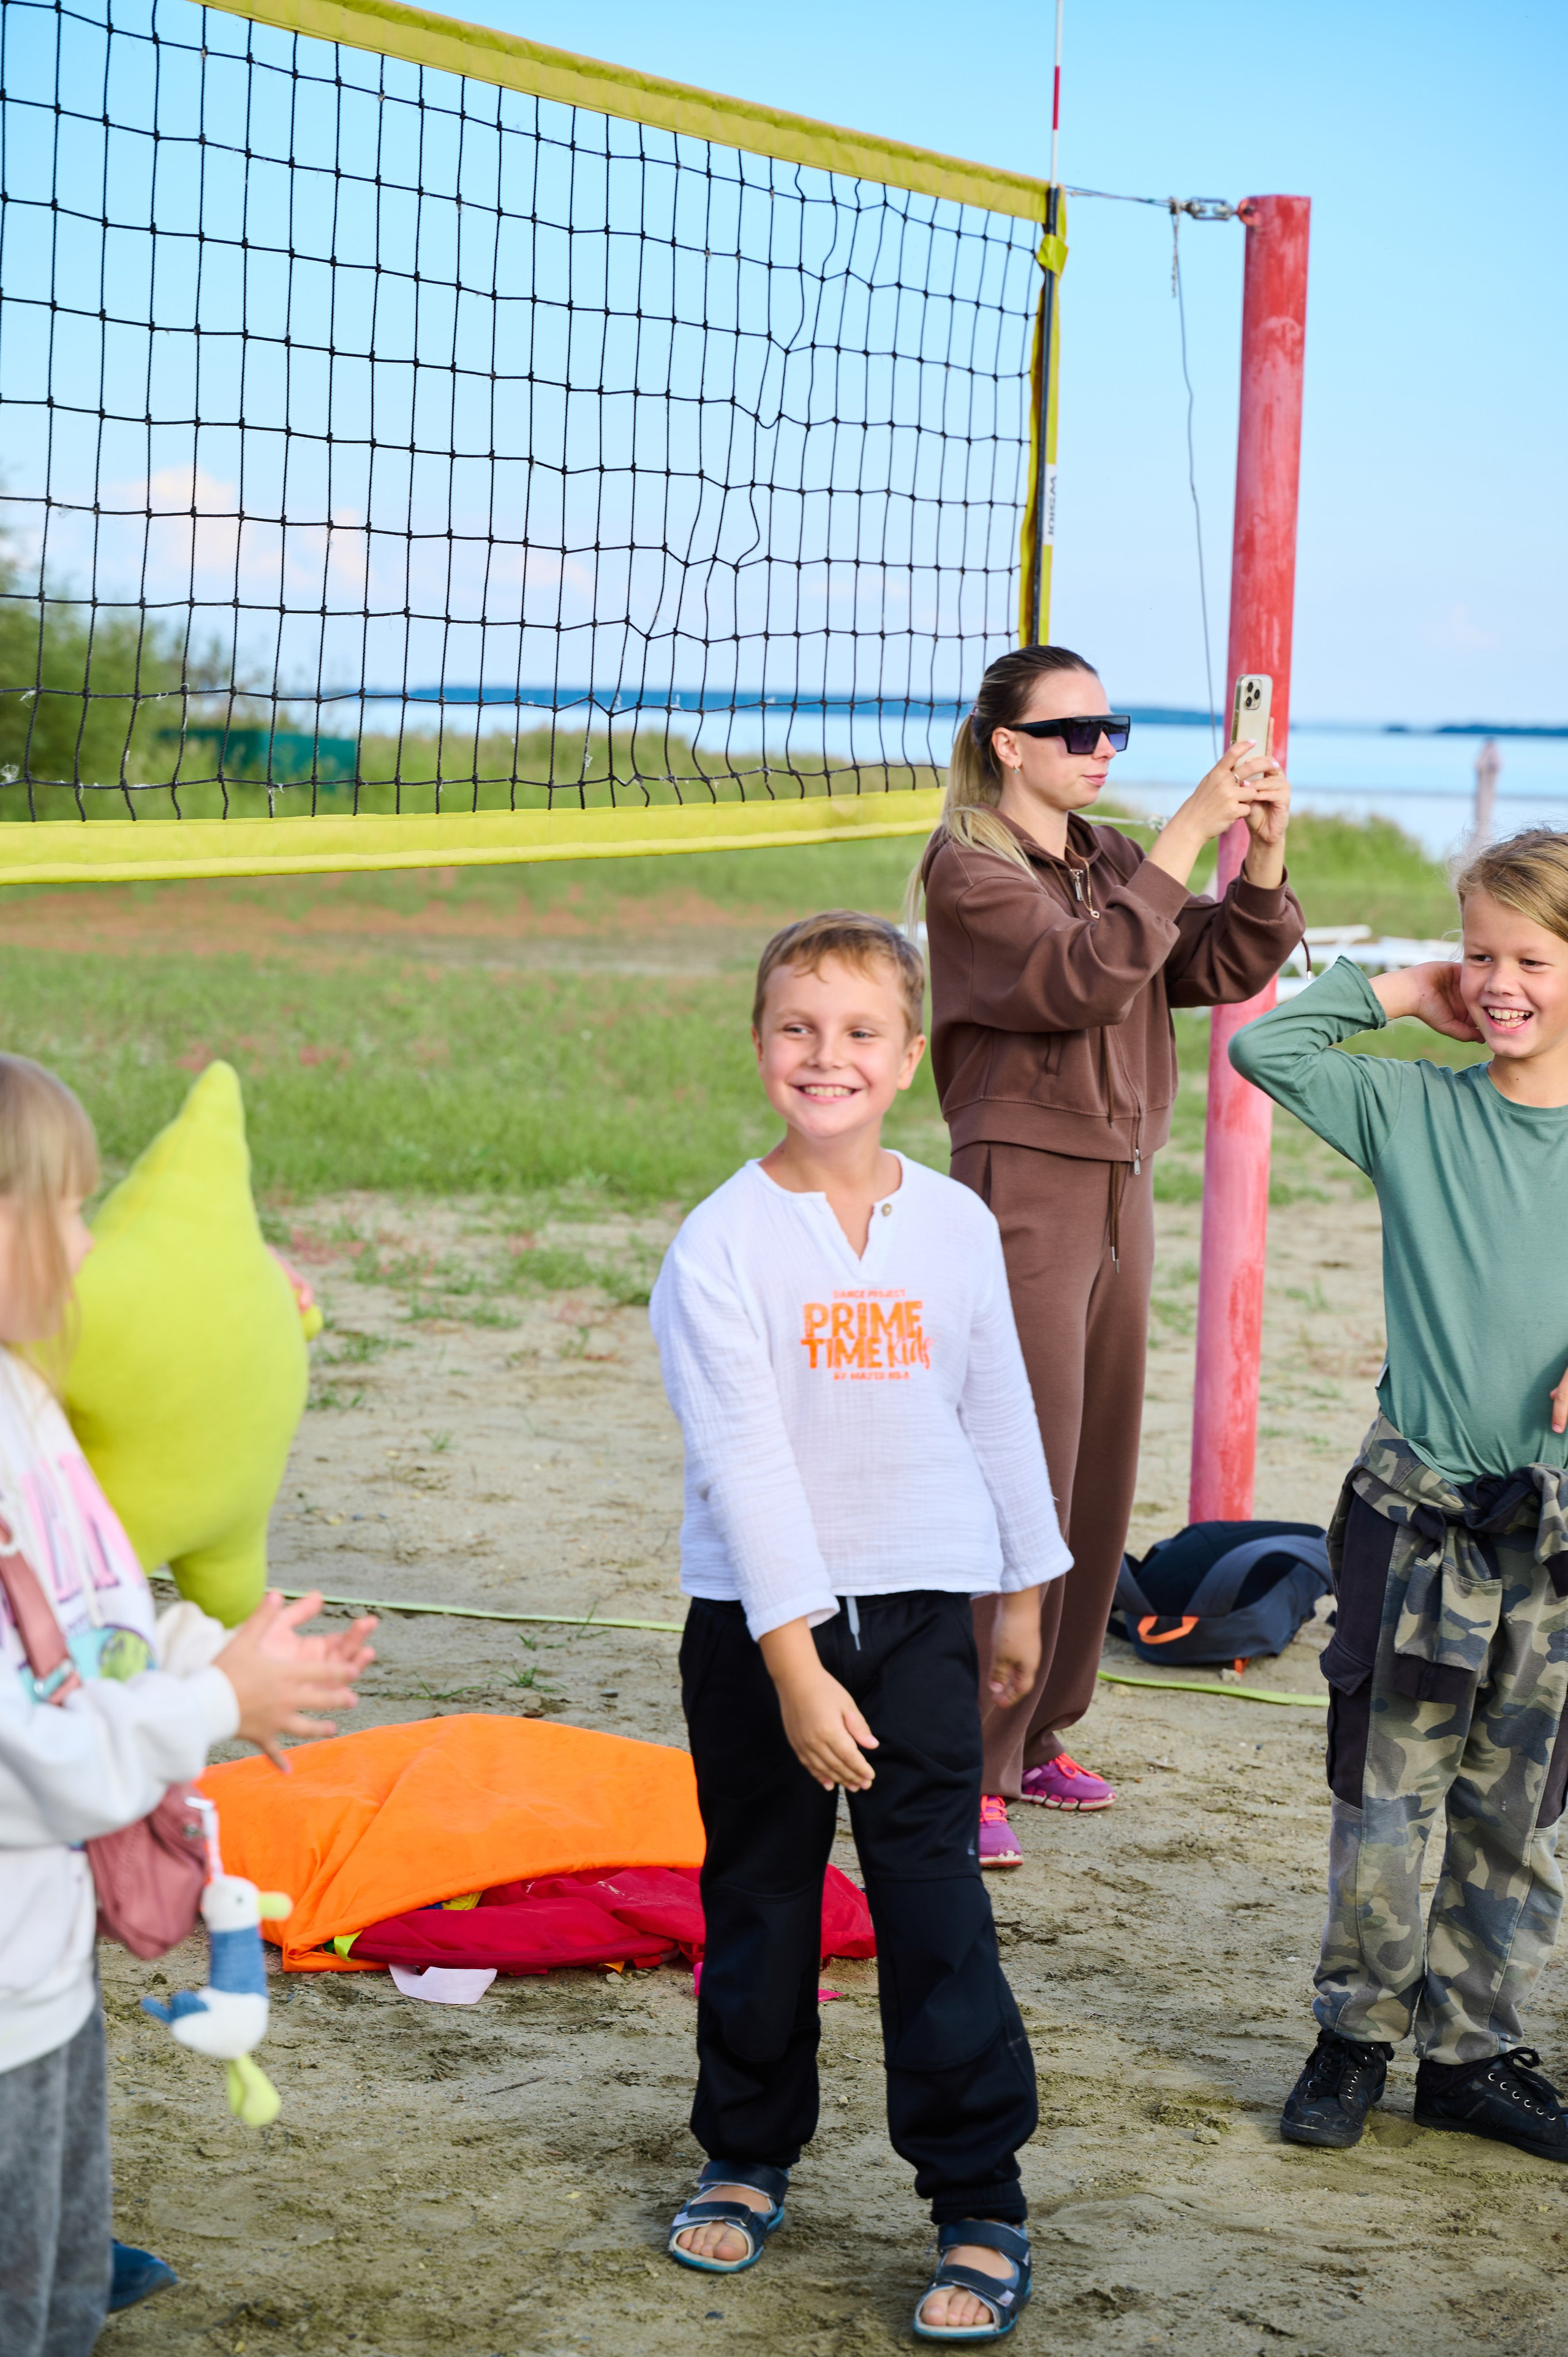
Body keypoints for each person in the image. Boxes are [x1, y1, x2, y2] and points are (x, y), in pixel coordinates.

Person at [649, 912, 1071, 2340]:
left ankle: (976, 2200)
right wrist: (787, 1661)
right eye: (795, 1027)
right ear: (759, 1042)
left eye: (856, 1032)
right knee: (761, 1896)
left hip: (918, 1613)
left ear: (904, 1057)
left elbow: (993, 1403)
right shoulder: (717, 1245)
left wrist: (1016, 1587)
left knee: (931, 1900)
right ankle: (746, 2153)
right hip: (759, 1625)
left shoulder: (949, 1219)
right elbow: (745, 1463)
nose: (823, 1055)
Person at [0, 1051, 377, 2356]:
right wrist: (208, 1699)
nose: (91, 1242)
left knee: (57, 2291)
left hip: (44, 1984)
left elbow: (89, 1619)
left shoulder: (34, 1405)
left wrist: (217, 1651)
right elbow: (29, 1758)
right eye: (65, 1211)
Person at [917, 644, 1303, 1864]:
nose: (1098, 748)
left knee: (1091, 1468)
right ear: (1005, 746)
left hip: (1118, 1184)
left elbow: (1215, 964)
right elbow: (1079, 979)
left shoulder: (1106, 859)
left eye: (1111, 727)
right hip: (1020, 1182)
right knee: (1010, 1471)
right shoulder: (968, 867)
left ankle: (1035, 1735)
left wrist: (1261, 856)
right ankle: (965, 1759)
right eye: (1074, 729)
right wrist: (1190, 824)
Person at [1231, 830, 1568, 2162]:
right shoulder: (1417, 1108)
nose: (1499, 983)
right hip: (1415, 1519)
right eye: (1479, 954)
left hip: (1551, 1540)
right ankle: (1352, 2037)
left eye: (1531, 959)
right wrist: (1397, 987)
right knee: (1386, 1797)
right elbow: (1269, 1052)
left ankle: (1471, 2054)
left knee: (1515, 1807)